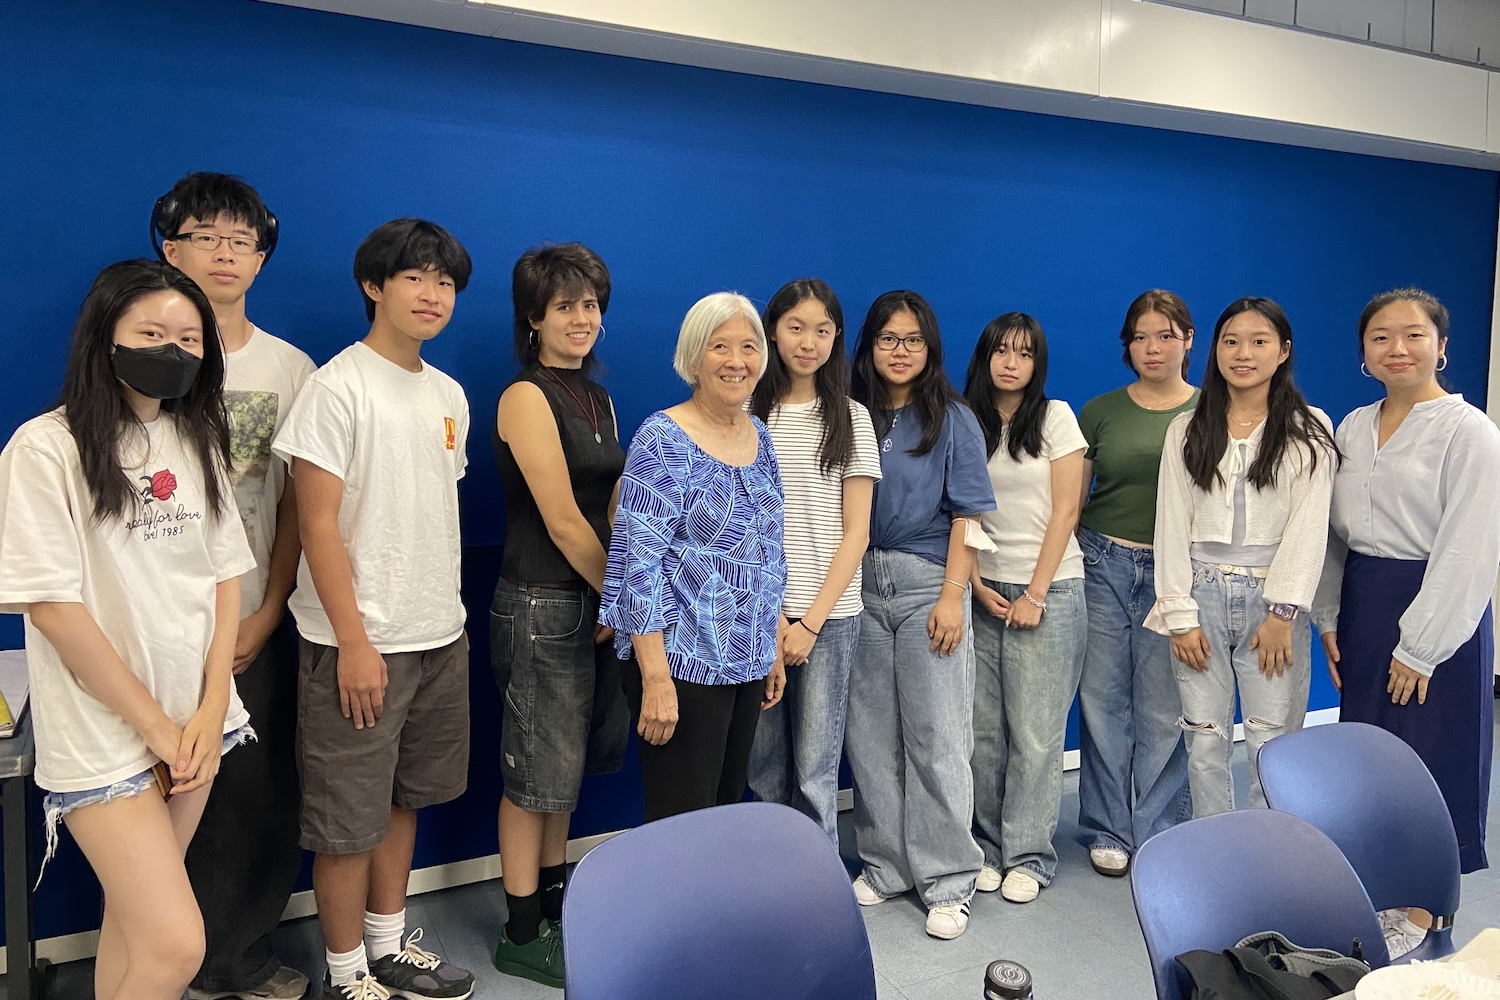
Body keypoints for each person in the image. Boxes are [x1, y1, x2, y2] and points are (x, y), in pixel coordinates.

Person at [0, 260, 255, 1000]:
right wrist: (154, 724)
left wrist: (210, 710)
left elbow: (223, 578)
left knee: (137, 927)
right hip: (108, 730)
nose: (171, 350)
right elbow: (50, 606)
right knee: (177, 945)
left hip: (196, 723)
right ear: (103, 338)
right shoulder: (43, 449)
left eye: (189, 337)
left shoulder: (197, 440)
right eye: (150, 332)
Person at [272, 219, 476, 1000]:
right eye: (415, 278)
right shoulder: (337, 387)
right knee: (345, 822)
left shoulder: (447, 392)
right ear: (374, 286)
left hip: (437, 636)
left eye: (445, 283)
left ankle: (390, 947)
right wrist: (354, 642)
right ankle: (346, 970)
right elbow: (315, 525)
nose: (431, 295)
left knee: (401, 801)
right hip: (356, 644)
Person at [154, 171, 316, 1000]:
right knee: (161, 799)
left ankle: (239, 960)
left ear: (260, 256)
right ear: (168, 247)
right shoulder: (140, 356)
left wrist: (268, 607)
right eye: (205, 236)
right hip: (154, 624)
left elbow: (297, 507)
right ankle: (163, 960)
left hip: (254, 619)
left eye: (242, 240)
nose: (225, 253)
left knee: (256, 794)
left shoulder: (290, 369)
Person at [1313, 288, 1500, 956]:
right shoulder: (1352, 428)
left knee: (1429, 758)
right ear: (1364, 353)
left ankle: (1425, 917)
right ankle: (1375, 895)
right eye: (1382, 337)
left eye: (1414, 335)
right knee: (1367, 759)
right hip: (1365, 598)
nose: (1398, 349)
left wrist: (1420, 647)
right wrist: (1328, 614)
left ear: (1441, 345)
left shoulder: (1467, 430)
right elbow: (1332, 534)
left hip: (1437, 606)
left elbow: (1470, 544)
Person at [490, 243, 628, 988]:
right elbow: (565, 521)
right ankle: (519, 931)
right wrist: (622, 595)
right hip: (543, 605)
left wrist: (619, 587)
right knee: (530, 774)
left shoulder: (599, 399)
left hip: (593, 601)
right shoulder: (524, 397)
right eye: (566, 306)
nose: (583, 319)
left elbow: (611, 504)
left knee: (563, 774)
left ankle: (553, 905)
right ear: (534, 317)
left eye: (591, 305)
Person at [599, 292, 787, 822]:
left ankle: (716, 909)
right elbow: (639, 564)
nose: (736, 360)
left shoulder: (761, 437)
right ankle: (678, 910)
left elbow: (769, 552)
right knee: (683, 821)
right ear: (693, 358)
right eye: (720, 346)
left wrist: (771, 645)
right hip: (680, 663)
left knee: (726, 813)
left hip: (746, 659)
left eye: (748, 347)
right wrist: (655, 677)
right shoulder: (662, 438)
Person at [1146, 297, 1335, 818]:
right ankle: (1217, 854)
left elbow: (1308, 528)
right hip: (1200, 594)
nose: (1243, 353)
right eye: (1230, 341)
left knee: (1270, 743)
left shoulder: (1310, 428)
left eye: (1259, 341)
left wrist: (1283, 612)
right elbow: (1172, 525)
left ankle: (1271, 859)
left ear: (1284, 351)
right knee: (1204, 741)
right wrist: (1179, 615)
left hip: (1272, 603)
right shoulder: (1187, 429)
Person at [845, 290, 995, 941]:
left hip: (926, 582)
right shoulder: (849, 416)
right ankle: (886, 867)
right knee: (872, 739)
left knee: (937, 736)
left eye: (912, 339)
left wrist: (952, 596)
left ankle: (950, 879)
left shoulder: (953, 419)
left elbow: (970, 514)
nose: (899, 351)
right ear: (869, 347)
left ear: (929, 347)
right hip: (857, 586)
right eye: (887, 339)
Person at [747, 279, 880, 847]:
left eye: (822, 330)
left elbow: (858, 532)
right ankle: (769, 880)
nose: (809, 342)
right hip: (753, 613)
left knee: (816, 768)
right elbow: (743, 525)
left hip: (828, 617)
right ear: (772, 331)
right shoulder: (747, 409)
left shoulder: (851, 417)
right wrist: (775, 617)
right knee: (762, 765)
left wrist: (809, 622)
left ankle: (815, 889)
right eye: (796, 328)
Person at [961, 312, 1087, 905]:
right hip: (983, 588)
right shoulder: (964, 420)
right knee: (985, 733)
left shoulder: (1057, 417)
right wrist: (976, 583)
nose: (1012, 363)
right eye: (1002, 351)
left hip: (1050, 590)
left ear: (1038, 364)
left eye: (1025, 354)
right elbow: (961, 512)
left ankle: (1030, 856)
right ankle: (985, 847)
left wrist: (1035, 593)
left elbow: (1066, 511)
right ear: (985, 357)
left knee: (1036, 735)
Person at [1075, 290, 1198, 877]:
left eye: (1166, 335)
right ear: (1127, 345)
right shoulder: (1099, 412)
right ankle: (1106, 827)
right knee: (1102, 704)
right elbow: (1069, 504)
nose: (1153, 347)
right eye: (1142, 336)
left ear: (1188, 342)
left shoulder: (1209, 413)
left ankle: (1158, 830)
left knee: (1161, 708)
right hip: (1101, 563)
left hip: (1175, 575)